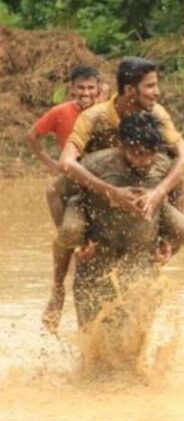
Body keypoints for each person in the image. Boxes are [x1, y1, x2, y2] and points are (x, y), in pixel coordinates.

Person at [47, 57, 184, 333]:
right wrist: (110, 191)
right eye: (150, 86)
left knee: (179, 218)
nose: (157, 92)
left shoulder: (157, 115)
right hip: (94, 189)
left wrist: (158, 196)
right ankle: (57, 291)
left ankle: (161, 246)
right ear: (129, 91)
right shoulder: (95, 116)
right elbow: (67, 163)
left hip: (142, 199)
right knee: (67, 223)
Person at [26, 65, 102, 333]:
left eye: (90, 88)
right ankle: (58, 288)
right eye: (80, 88)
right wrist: (51, 164)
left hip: (103, 176)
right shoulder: (61, 112)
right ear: (71, 89)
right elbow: (32, 135)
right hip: (72, 176)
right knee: (53, 194)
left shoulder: (105, 110)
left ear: (99, 89)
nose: (85, 93)